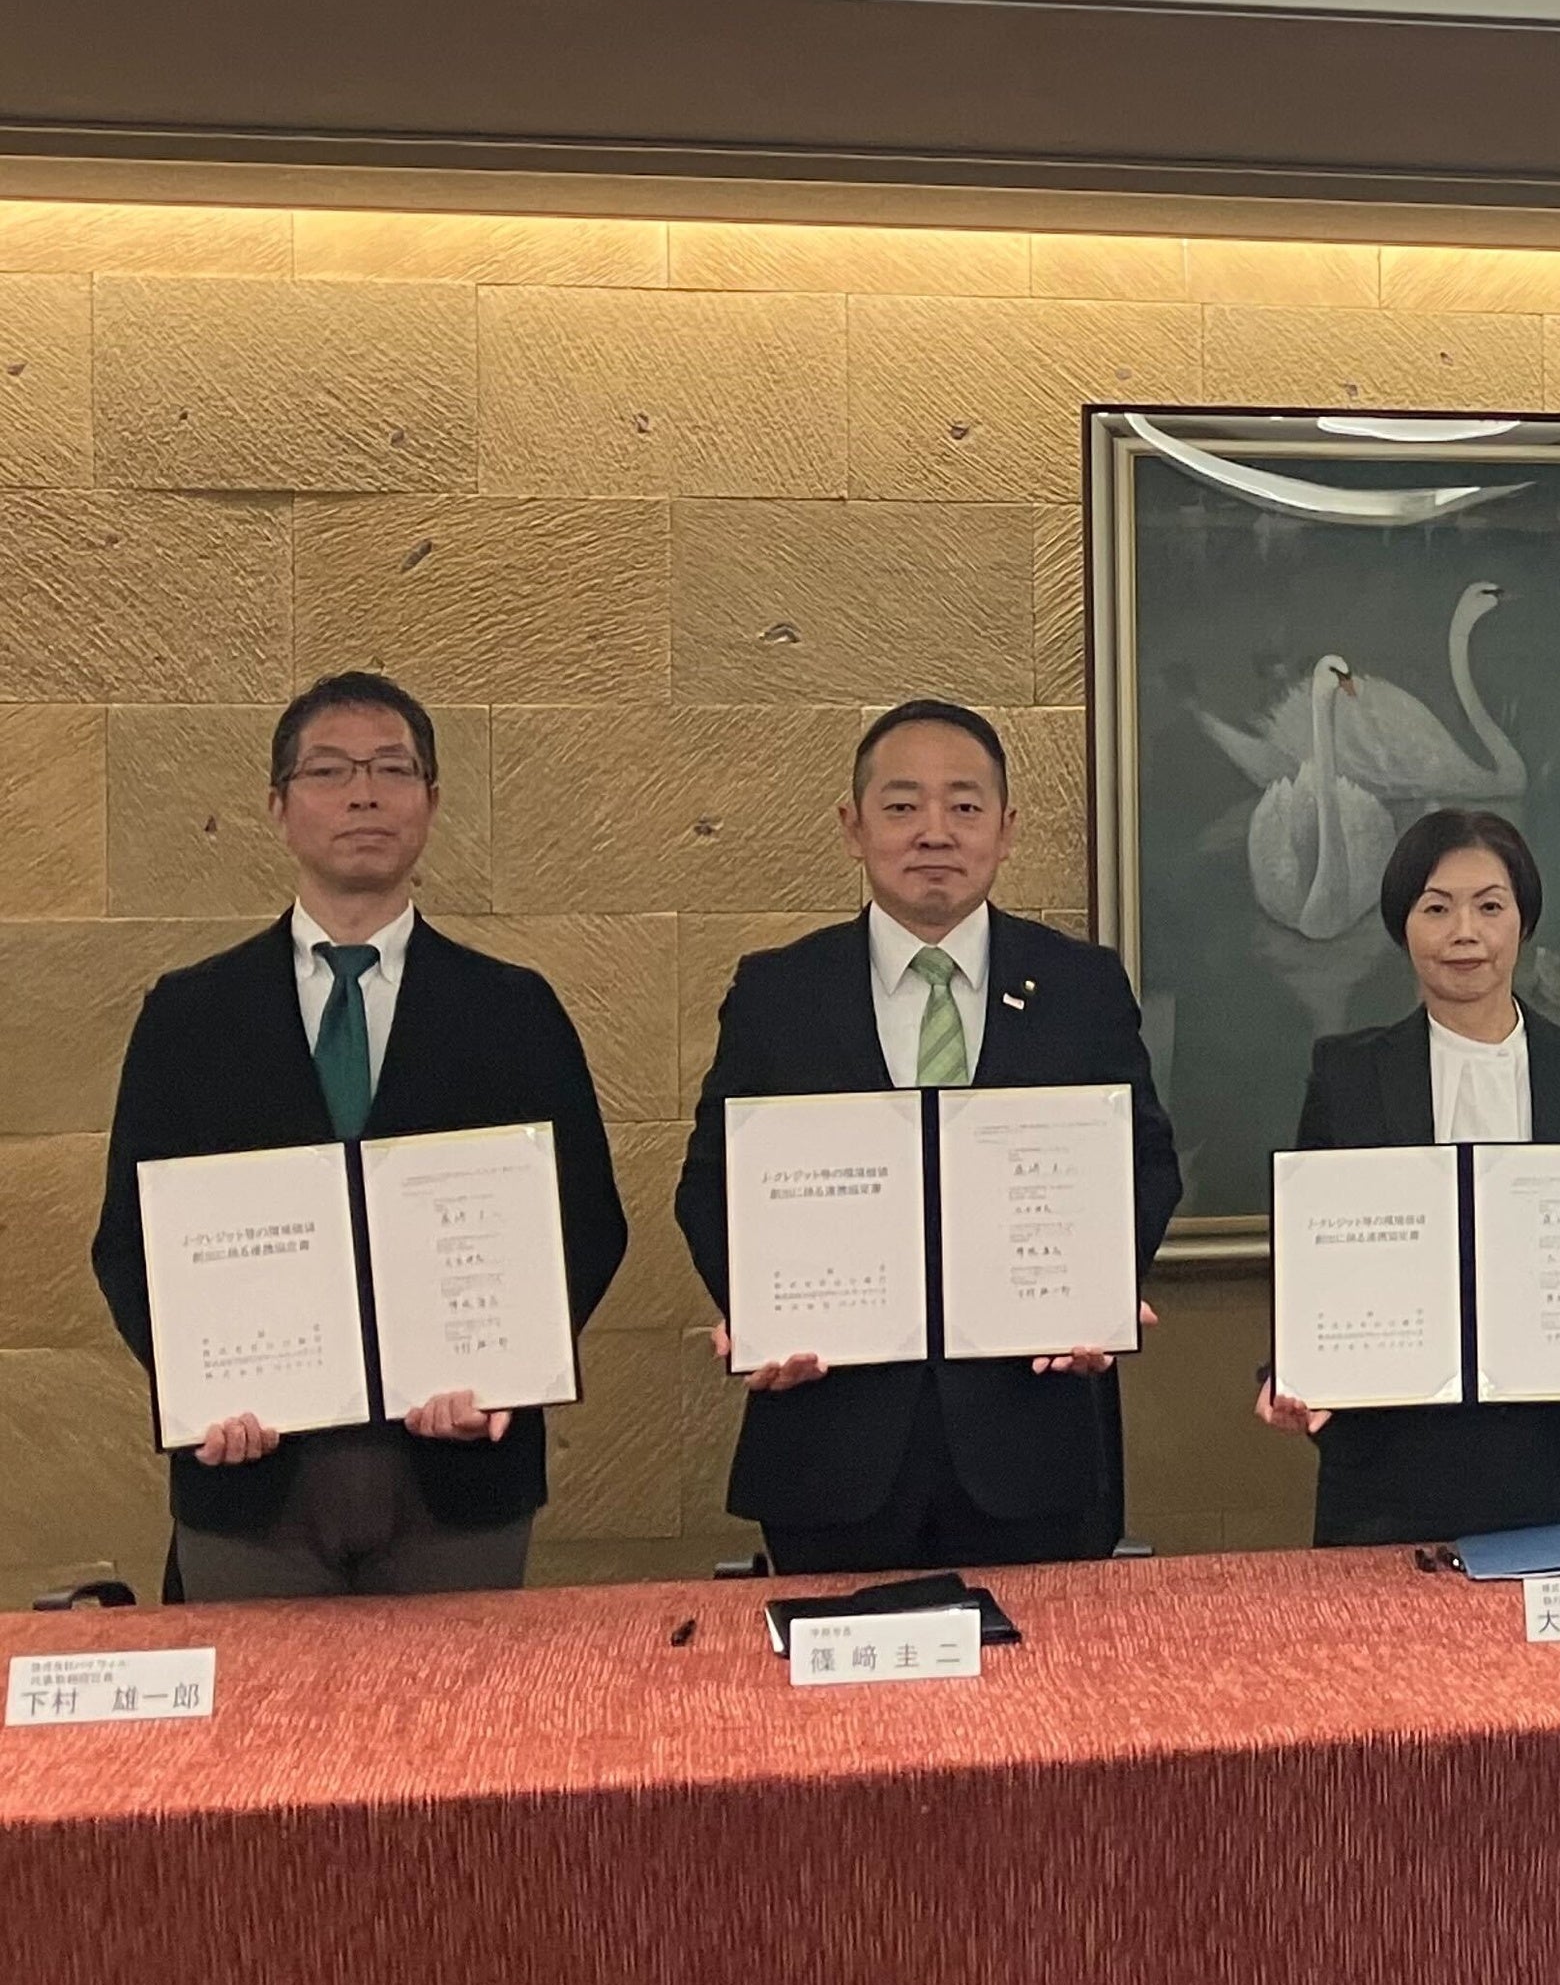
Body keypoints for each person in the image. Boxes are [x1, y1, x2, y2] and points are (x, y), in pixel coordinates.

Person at [90, 672, 628, 1598]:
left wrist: (507, 1371)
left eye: (392, 769)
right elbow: (128, 1241)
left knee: (458, 1696)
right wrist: (200, 1389)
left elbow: (586, 1221)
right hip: (251, 1476)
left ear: (432, 801)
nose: (364, 794)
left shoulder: (513, 1008)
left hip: (461, 1472)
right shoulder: (189, 1014)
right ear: (278, 806)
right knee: (259, 1698)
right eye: (330, 770)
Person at [676, 698, 1182, 1573]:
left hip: (1034, 1437)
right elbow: (711, 1183)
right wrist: (759, 1309)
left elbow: (1144, 1167)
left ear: (1007, 828)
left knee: (1048, 1661)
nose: (935, 832)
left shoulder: (1081, 985)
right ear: (853, 826)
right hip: (831, 1439)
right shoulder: (779, 992)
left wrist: (1097, 1290)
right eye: (903, 805)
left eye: (965, 805)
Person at [1255, 807, 1560, 1544]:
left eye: (1489, 907)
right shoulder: (1347, 1074)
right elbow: (1316, 1254)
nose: (1464, 933)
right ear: (1402, 925)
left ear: (1524, 920)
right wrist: (1293, 1368)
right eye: (1436, 908)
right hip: (1390, 1466)